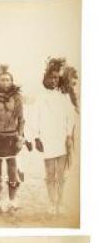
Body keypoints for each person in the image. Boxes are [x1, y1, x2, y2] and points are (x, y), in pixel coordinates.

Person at [31, 58, 76, 215]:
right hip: (47, 139)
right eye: (51, 77)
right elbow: (34, 117)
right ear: (45, 78)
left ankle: (60, 202)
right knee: (50, 173)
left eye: (56, 77)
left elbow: (71, 117)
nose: (54, 80)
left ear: (59, 79)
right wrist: (36, 137)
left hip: (62, 139)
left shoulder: (64, 96)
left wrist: (69, 136)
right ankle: (52, 203)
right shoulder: (41, 96)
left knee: (61, 174)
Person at [0, 64, 25, 212]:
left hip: (12, 137)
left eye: (8, 79)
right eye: (2, 79)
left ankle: (12, 201)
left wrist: (20, 139)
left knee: (12, 171)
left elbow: (21, 120)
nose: (5, 82)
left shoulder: (17, 98)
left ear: (12, 81)